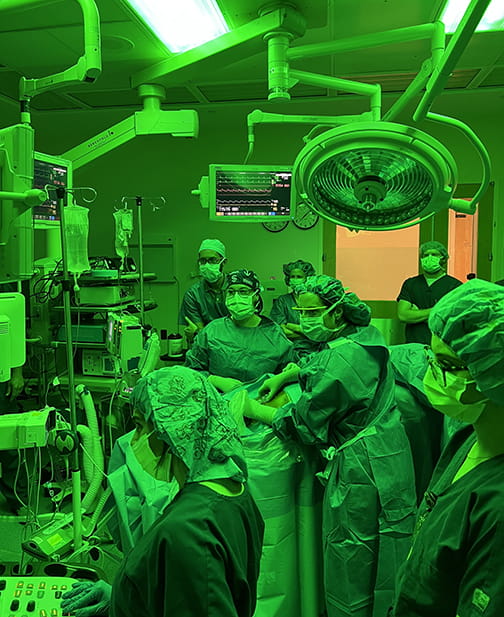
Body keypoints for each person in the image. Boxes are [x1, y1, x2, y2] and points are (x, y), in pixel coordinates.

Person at [233, 275, 417, 617]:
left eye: (313, 312)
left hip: (363, 471)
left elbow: (301, 422)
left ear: (336, 312)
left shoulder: (341, 363)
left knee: (353, 562)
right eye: (301, 312)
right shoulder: (364, 335)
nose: (306, 320)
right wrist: (290, 375)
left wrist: (254, 410)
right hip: (389, 455)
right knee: (389, 556)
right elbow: (328, 360)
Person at [61, 366, 265, 617]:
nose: (132, 441)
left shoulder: (188, 531)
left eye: (138, 426)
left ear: (169, 431)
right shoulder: (236, 493)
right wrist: (124, 599)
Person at [390, 279, 504, 617]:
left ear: (493, 374)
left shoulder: (496, 505)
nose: (430, 371)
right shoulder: (467, 438)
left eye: (447, 364)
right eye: (431, 355)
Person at [185, 268, 295, 393]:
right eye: (231, 292)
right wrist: (213, 380)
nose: (236, 297)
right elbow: (191, 371)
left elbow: (288, 376)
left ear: (256, 296)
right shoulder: (212, 331)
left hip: (261, 402)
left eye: (243, 291)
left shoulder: (274, 334)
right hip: (217, 402)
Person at [397, 241, 462, 344]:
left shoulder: (455, 286)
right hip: (415, 345)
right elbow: (403, 315)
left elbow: (453, 320)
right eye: (425, 255)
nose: (429, 258)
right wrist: (438, 311)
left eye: (434, 254)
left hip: (444, 346)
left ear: (443, 259)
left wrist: (417, 313)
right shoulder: (411, 284)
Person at [178, 238, 229, 344]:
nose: (207, 265)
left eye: (212, 260)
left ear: (223, 262)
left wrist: (199, 332)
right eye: (203, 261)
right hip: (207, 348)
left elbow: (241, 327)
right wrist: (197, 332)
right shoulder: (193, 294)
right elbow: (199, 332)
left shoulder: (234, 288)